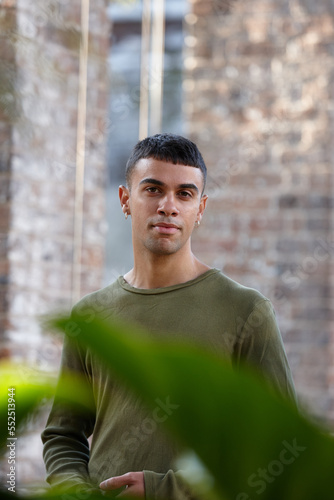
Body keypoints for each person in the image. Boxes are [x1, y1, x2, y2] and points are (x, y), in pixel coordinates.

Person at [42, 133, 297, 499]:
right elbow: (63, 435)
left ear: (201, 208)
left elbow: (280, 444)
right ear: (125, 199)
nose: (168, 206)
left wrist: (166, 489)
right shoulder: (90, 315)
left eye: (185, 194)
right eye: (153, 189)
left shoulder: (246, 311)